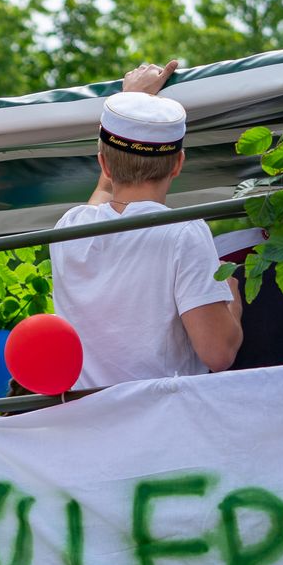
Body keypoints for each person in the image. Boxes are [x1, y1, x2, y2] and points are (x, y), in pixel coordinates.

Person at [50, 92, 243, 387]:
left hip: (86, 412)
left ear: (103, 165)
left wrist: (131, 98)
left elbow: (104, 194)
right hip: (158, 412)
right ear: (178, 164)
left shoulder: (70, 227)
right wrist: (232, 303)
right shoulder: (183, 231)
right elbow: (218, 354)